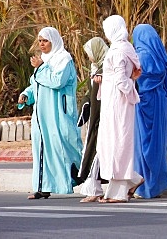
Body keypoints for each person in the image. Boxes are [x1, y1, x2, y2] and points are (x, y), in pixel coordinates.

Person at [17, 26, 83, 200]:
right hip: (41, 116)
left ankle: (83, 177)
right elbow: (36, 84)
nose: (42, 44)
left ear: (54, 41)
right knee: (42, 149)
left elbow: (57, 81)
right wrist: (26, 94)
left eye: (45, 40)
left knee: (64, 147)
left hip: (58, 114)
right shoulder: (44, 62)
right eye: (39, 41)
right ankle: (43, 187)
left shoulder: (63, 59)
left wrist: (41, 67)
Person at [97, 14, 143, 203]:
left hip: (116, 103)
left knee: (115, 143)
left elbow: (120, 80)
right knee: (118, 142)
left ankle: (118, 192)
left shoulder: (117, 51)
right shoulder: (126, 48)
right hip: (119, 102)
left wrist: (130, 91)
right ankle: (133, 179)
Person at [132, 24, 167, 199]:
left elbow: (134, 83)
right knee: (157, 143)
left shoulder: (140, 57)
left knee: (143, 144)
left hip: (143, 104)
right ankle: (156, 184)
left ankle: (143, 185)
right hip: (160, 102)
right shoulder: (161, 57)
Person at [76, 37, 108, 203]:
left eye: (89, 52)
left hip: (104, 120)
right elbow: (91, 93)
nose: (89, 57)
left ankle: (94, 189)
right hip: (97, 120)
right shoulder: (96, 68)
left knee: (97, 151)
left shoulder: (107, 68)